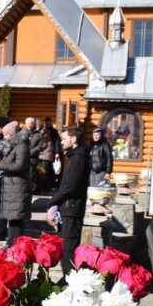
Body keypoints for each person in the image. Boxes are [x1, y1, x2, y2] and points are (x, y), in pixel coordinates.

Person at [48, 127, 90, 274]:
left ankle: (71, 285)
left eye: (64, 138)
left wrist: (53, 201)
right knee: (65, 250)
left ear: (74, 139)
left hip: (72, 209)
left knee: (68, 251)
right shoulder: (74, 156)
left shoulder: (79, 158)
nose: (62, 141)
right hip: (68, 208)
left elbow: (71, 186)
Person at [0, 121, 33, 246]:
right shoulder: (12, 145)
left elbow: (19, 165)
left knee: (17, 218)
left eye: (6, 134)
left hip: (18, 186)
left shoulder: (22, 146)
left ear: (13, 134)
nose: (4, 137)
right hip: (11, 186)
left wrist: (1, 165)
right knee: (12, 218)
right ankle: (10, 242)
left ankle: (16, 245)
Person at [40, 117, 60, 191]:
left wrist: (57, 152)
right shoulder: (42, 131)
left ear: (51, 122)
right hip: (42, 154)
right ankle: (46, 187)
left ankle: (48, 186)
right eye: (46, 122)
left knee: (48, 170)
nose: (47, 123)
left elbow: (57, 142)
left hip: (51, 153)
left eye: (49, 122)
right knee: (44, 170)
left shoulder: (54, 131)